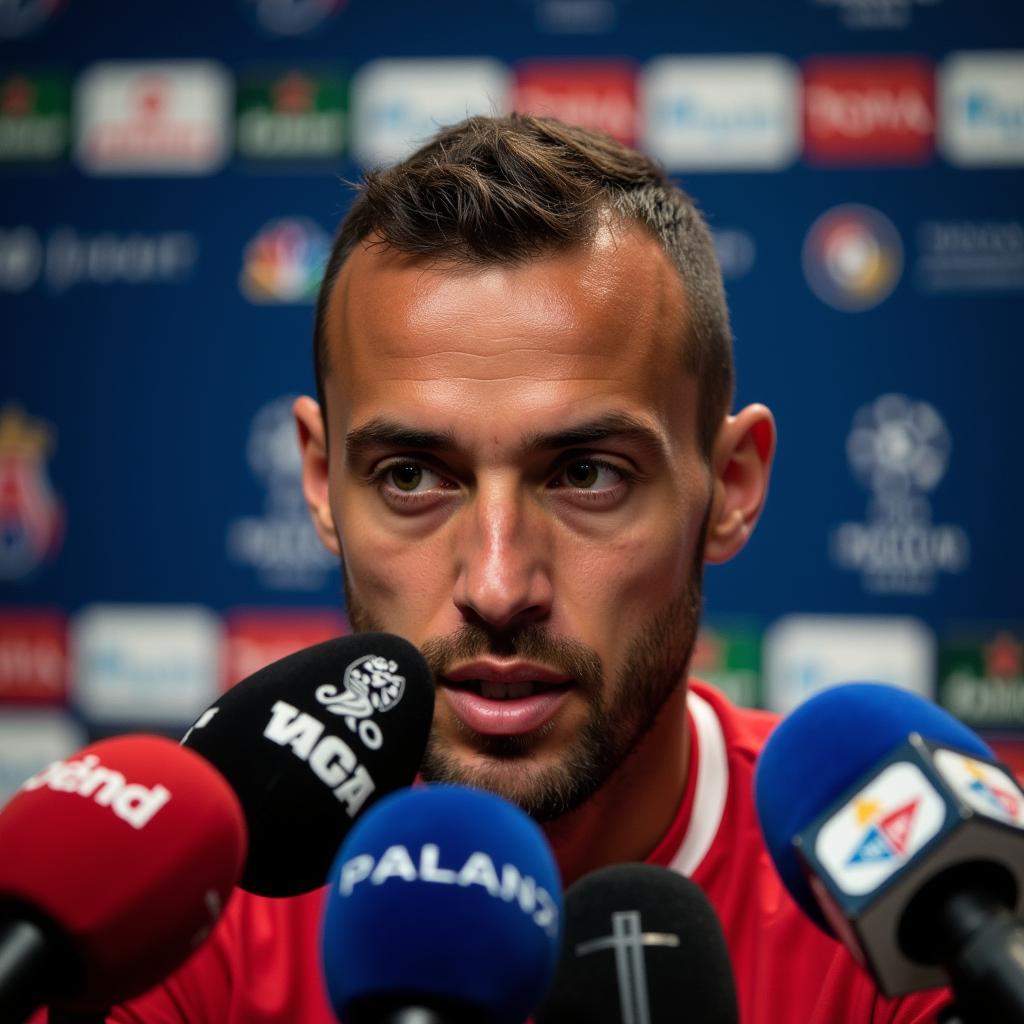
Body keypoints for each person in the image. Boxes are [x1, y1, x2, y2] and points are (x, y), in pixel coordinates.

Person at [108, 114, 949, 1022]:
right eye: (413, 476)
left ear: (732, 486)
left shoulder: (906, 888)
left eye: (587, 475)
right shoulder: (186, 901)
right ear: (319, 483)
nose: (499, 587)